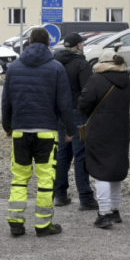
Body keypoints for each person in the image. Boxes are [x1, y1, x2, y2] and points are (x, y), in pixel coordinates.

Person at [1, 27, 76, 238]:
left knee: (19, 177)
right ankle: (43, 225)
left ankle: (15, 221)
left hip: (20, 131)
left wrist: (8, 127)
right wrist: (70, 130)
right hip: (46, 132)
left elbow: (6, 101)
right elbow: (64, 103)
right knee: (45, 179)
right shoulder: (56, 67)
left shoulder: (14, 67)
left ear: (30, 41)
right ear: (49, 44)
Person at [78, 49, 130, 229]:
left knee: (100, 171)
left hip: (100, 131)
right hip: (121, 130)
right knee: (115, 171)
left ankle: (104, 213)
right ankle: (115, 210)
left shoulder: (96, 80)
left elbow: (83, 104)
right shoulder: (126, 80)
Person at [53, 32, 98, 210]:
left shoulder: (55, 63)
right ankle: (85, 198)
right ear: (79, 46)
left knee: (63, 155)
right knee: (80, 155)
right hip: (78, 114)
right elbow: (87, 92)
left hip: (60, 114)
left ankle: (61, 195)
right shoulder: (81, 64)